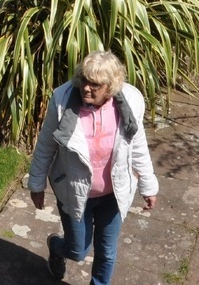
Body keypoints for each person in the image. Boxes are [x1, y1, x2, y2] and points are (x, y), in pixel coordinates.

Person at [29, 51, 159, 285]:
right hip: (74, 192)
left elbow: (137, 146)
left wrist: (148, 185)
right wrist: (36, 184)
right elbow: (46, 145)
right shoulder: (62, 100)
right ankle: (57, 247)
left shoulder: (131, 101)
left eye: (95, 84)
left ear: (111, 86)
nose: (86, 88)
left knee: (107, 251)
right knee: (78, 251)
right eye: (84, 80)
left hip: (113, 195)